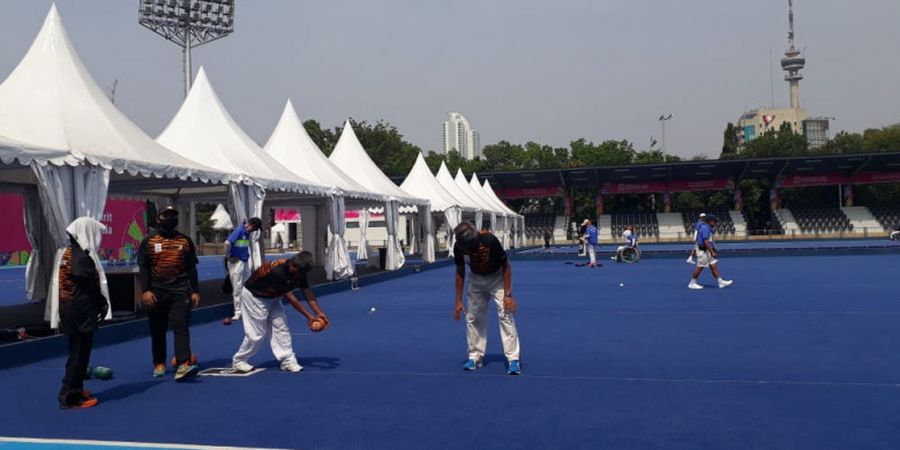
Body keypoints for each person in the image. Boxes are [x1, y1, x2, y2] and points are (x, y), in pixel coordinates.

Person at [232, 251, 327, 373]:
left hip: (273, 297)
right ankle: (239, 360)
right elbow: (291, 298)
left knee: (281, 327)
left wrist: (319, 313)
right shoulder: (278, 271)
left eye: (296, 268)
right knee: (256, 333)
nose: (293, 268)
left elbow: (307, 292)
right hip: (255, 297)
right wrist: (308, 316)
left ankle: (287, 360)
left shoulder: (300, 272)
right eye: (293, 265)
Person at [138, 207, 201, 381]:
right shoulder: (149, 240)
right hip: (156, 292)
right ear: (159, 218)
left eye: (174, 215)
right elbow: (143, 268)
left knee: (181, 327)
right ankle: (159, 362)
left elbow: (191, 268)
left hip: (180, 291)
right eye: (167, 215)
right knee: (157, 329)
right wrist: (145, 291)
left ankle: (183, 364)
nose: (171, 218)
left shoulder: (185, 241)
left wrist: (195, 291)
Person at [452, 222, 521, 375]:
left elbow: (506, 266)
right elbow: (460, 271)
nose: (462, 249)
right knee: (473, 317)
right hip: (476, 279)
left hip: (497, 278)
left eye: (465, 247)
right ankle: (475, 356)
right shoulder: (458, 247)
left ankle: (513, 359)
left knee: (505, 314)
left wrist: (508, 294)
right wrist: (458, 300)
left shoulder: (489, 240)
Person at [57, 218, 110, 409]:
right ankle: (70, 394)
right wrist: (102, 303)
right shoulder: (79, 258)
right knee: (80, 353)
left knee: (76, 351)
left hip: (71, 309)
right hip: (79, 310)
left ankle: (75, 388)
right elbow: (88, 285)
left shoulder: (69, 253)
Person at [224, 217, 263, 323]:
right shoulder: (239, 230)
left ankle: (248, 308)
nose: (254, 231)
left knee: (247, 285)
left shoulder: (246, 232)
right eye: (255, 229)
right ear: (251, 225)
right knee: (237, 286)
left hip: (244, 260)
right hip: (236, 262)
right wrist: (228, 256)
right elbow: (227, 243)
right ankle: (238, 311)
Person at [688, 214, 733, 290]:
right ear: (710, 221)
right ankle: (692, 283)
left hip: (707, 250)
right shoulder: (705, 228)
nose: (715, 223)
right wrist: (712, 251)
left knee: (713, 265)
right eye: (714, 221)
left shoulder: (708, 228)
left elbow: (709, 241)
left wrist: (712, 249)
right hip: (703, 251)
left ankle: (720, 282)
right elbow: (705, 241)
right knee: (700, 267)